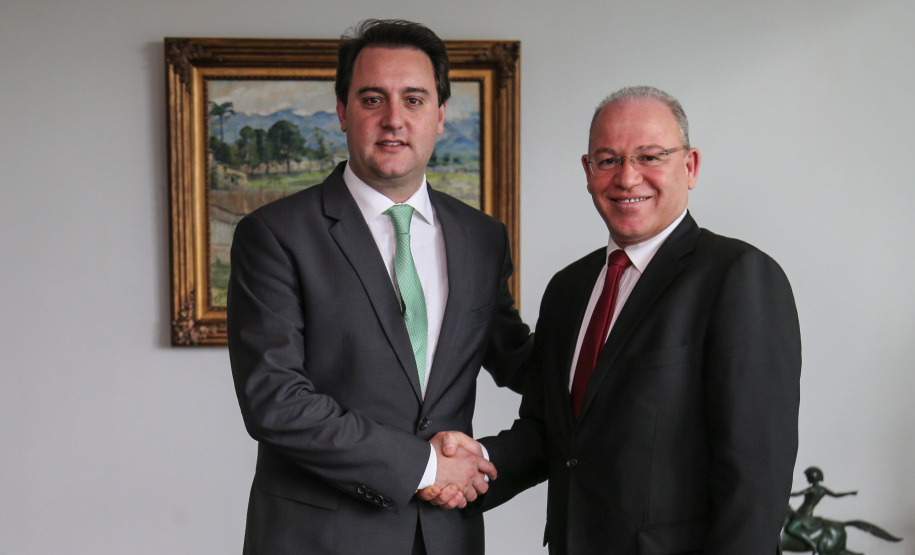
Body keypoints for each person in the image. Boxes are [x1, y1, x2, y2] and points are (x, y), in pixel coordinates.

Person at [424, 86, 802, 554]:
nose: (627, 178)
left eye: (650, 156)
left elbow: (755, 478)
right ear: (588, 172)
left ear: (690, 166)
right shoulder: (569, 288)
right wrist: (472, 464)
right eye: (608, 160)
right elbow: (552, 433)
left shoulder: (737, 277)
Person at [227, 19, 532, 555]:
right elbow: (274, 401)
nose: (394, 119)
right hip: (318, 538)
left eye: (414, 99)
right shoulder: (275, 235)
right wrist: (429, 464)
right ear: (343, 111)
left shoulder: (483, 238)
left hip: (446, 536)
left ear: (440, 116)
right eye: (373, 99)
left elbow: (521, 360)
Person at [784, 466, 857, 552]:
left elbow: (797, 494)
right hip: (804, 513)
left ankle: (812, 543)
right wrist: (849, 493)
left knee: (790, 528)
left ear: (812, 478)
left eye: (808, 477)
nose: (807, 479)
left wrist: (784, 494)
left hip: (804, 514)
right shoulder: (822, 490)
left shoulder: (812, 489)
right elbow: (836, 495)